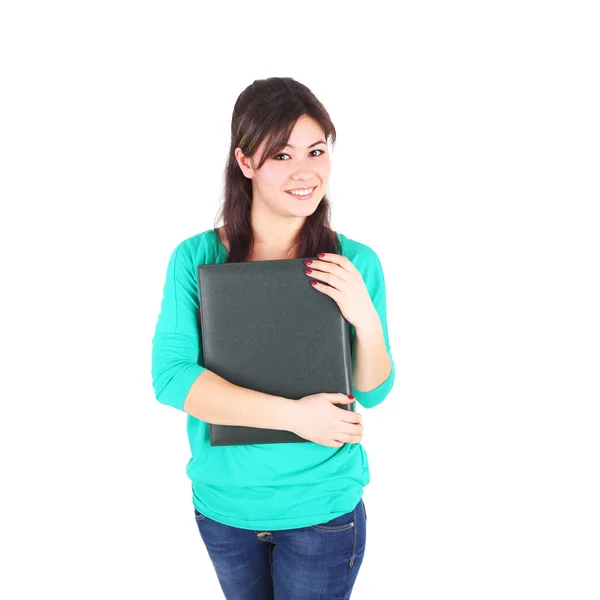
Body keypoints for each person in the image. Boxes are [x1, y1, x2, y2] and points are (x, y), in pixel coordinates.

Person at [151, 77, 396, 599]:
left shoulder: (356, 263)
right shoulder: (195, 259)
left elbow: (372, 391)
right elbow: (172, 378)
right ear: (245, 162)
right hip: (224, 508)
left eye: (317, 150)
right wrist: (295, 416)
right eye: (280, 155)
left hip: (322, 511)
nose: (304, 171)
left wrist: (364, 318)